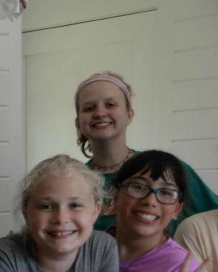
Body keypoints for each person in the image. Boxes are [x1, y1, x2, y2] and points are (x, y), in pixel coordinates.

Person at [73, 72, 218, 232]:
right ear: (78, 123)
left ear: (129, 115)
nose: (100, 113)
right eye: (89, 108)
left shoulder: (166, 170)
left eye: (110, 105)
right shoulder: (73, 181)